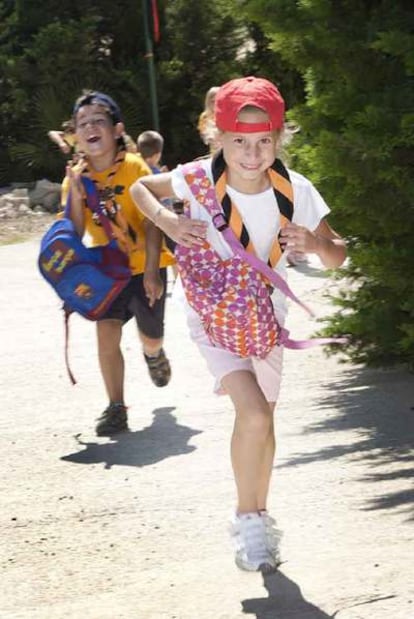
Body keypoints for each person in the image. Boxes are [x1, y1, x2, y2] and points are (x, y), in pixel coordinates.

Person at [130, 76, 347, 573]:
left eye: (263, 141)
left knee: (263, 420)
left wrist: (314, 246)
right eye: (239, 142)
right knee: (252, 414)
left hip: (267, 320)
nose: (251, 153)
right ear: (217, 135)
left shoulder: (295, 191)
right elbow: (141, 188)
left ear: (278, 138)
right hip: (212, 316)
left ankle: (259, 517)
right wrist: (167, 221)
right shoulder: (198, 179)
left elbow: (337, 254)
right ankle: (247, 520)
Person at [61, 91, 175, 437]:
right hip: (108, 270)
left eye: (99, 121)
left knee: (151, 336)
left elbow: (153, 222)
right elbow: (76, 232)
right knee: (105, 333)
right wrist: (79, 193)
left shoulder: (135, 168)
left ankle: (153, 354)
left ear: (116, 130)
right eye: (83, 123)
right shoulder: (75, 178)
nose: (91, 127)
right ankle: (116, 407)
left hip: (146, 265)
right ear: (76, 135)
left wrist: (154, 271)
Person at [197, 86, 220, 154]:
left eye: (218, 101)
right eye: (213, 101)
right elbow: (204, 134)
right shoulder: (205, 116)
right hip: (214, 149)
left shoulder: (227, 114)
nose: (215, 104)